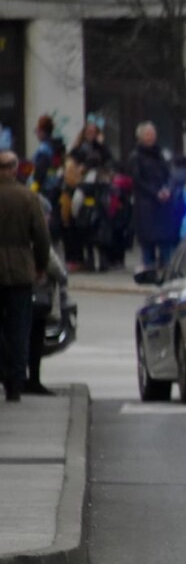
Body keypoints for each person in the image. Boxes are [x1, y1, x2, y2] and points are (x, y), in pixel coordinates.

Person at [0, 151, 52, 402]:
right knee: (19, 327)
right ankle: (15, 382)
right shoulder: (28, 197)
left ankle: (3, 370)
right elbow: (41, 237)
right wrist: (40, 265)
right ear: (14, 169)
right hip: (21, 269)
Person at [128, 121, 181, 271]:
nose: (151, 137)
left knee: (165, 244)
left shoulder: (160, 155)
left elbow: (168, 175)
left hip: (163, 207)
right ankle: (148, 270)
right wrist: (155, 193)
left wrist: (167, 190)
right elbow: (138, 181)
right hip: (146, 207)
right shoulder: (136, 157)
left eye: (152, 134)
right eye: (147, 134)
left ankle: (166, 269)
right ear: (140, 137)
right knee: (148, 245)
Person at [26, 245, 66, 395]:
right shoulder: (31, 225)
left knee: (15, 334)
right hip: (33, 288)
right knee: (35, 337)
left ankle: (16, 379)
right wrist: (61, 276)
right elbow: (46, 253)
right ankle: (33, 380)